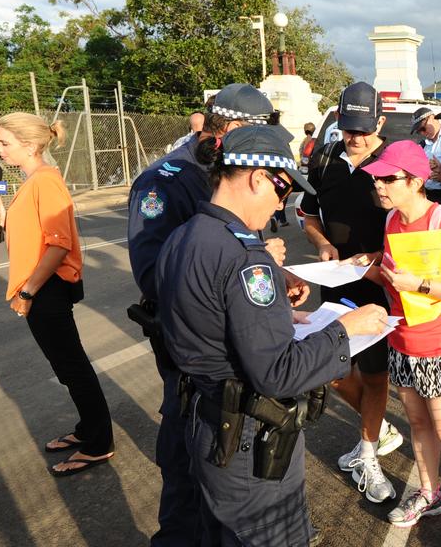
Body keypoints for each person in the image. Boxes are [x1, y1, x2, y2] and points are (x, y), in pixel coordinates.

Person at [158, 124, 389, 546]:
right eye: (282, 193)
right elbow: (277, 373)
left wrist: (280, 316)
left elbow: (207, 316)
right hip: (248, 440)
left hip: (201, 420)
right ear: (258, 178)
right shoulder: (247, 259)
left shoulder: (184, 236)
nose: (281, 206)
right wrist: (342, 330)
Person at [127, 83, 307, 544]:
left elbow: (236, 251)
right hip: (193, 354)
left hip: (230, 349)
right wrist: (248, 262)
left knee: (215, 476)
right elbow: (157, 276)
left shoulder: (227, 172)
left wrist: (268, 271)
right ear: (228, 129)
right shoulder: (165, 180)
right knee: (187, 473)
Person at [360, 140, 441, 546]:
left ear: (416, 182)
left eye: (388, 179)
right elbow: (393, 279)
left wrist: (422, 284)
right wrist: (366, 268)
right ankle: (430, 494)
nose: (379, 186)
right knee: (418, 424)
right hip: (402, 339)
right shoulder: (393, 221)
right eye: (377, 178)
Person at [0, 112, 113, 477]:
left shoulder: (45, 181)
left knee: (73, 367)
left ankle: (99, 444)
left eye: (5, 143)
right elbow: (38, 233)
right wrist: (6, 220)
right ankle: (89, 430)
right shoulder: (34, 181)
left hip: (46, 287)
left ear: (30, 145)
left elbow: (58, 246)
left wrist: (27, 290)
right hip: (42, 286)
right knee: (65, 367)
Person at [301, 81, 404, 503]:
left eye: (363, 128)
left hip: (378, 285)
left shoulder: (393, 163)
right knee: (333, 370)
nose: (355, 137)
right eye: (348, 127)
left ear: (380, 122)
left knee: (375, 372)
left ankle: (367, 452)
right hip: (334, 281)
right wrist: (321, 243)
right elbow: (308, 216)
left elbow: (412, 225)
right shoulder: (324, 160)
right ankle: (378, 428)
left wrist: (376, 255)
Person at [412, 107, 441, 206]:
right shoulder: (422, 145)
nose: (423, 133)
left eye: (423, 128)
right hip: (425, 195)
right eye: (419, 131)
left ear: (432, 118)